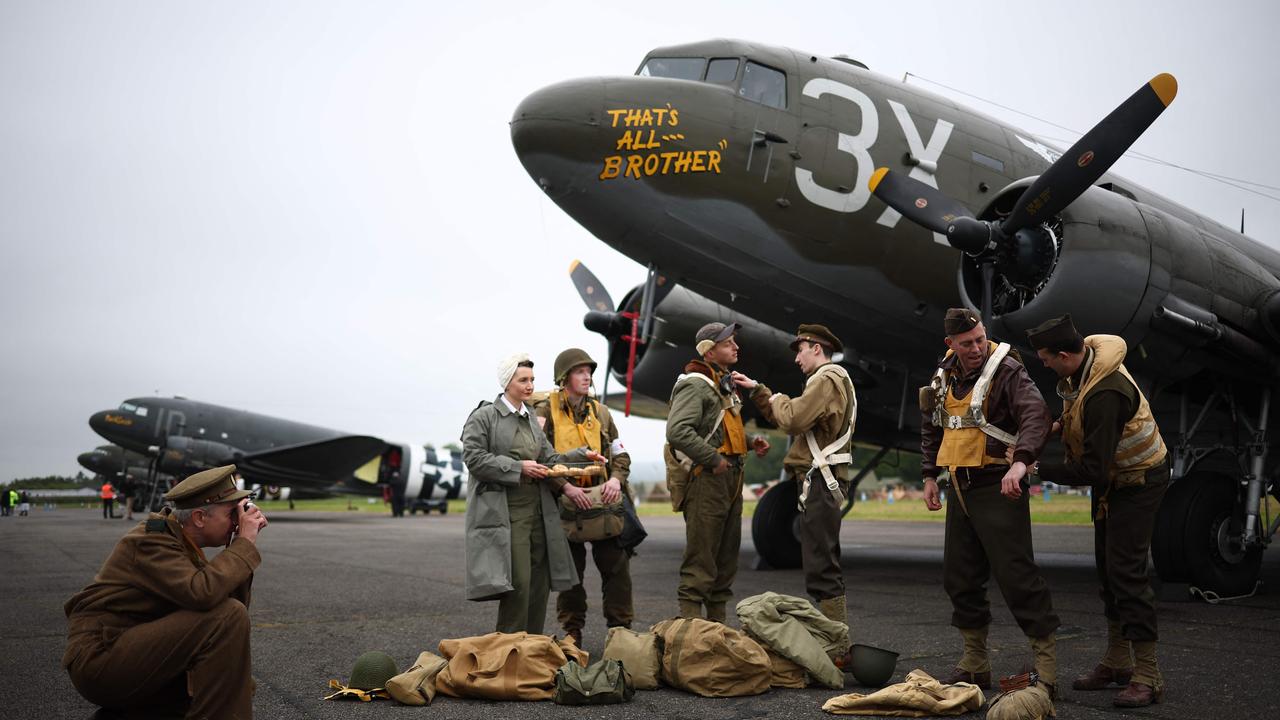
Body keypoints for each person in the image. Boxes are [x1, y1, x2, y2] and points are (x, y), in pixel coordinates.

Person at [1027, 315, 1170, 708]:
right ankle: (1117, 662)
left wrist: (1035, 469)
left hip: (1137, 481)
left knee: (1127, 573)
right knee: (1109, 572)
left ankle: (1148, 675)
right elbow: (1080, 421)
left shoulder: (1107, 392)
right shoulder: (1084, 368)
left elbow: (1092, 469)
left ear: (1063, 355)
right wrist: (1058, 427)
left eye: (1045, 359)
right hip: (1114, 482)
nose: (1044, 365)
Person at [919, 308, 1059, 694]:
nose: (977, 347)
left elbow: (1036, 414)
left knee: (1018, 578)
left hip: (999, 484)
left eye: (980, 339)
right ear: (951, 344)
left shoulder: (1007, 370)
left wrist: (1021, 461)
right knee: (959, 577)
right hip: (959, 487)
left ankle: (1046, 671)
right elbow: (934, 424)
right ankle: (975, 664)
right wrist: (930, 474)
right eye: (967, 343)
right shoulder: (944, 374)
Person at [62, 464, 268, 719]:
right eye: (232, 514)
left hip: (130, 651)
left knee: (231, 668)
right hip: (101, 661)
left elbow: (223, 608)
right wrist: (243, 545)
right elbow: (205, 596)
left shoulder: (180, 539)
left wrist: (237, 546)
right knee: (228, 617)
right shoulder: (151, 540)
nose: (237, 521)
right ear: (200, 518)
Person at [461, 353, 606, 634]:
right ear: (507, 382)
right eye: (523, 380)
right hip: (506, 512)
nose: (529, 386)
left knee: (539, 585)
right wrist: (518, 467)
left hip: (538, 511)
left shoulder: (529, 418)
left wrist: (580, 455)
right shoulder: (484, 417)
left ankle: (533, 650)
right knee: (519, 585)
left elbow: (549, 458)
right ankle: (507, 653)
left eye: (532, 380)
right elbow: (473, 458)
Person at [734, 324, 856, 641]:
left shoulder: (826, 380)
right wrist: (758, 390)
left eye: (800, 350)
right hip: (819, 482)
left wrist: (774, 397)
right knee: (820, 562)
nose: (797, 358)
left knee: (821, 566)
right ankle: (834, 635)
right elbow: (790, 414)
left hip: (821, 482)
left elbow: (792, 419)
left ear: (817, 348)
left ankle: (837, 640)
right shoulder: (828, 379)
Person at [666, 322, 768, 622]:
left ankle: (717, 633)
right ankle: (690, 636)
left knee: (725, 560)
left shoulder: (721, 381)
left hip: (730, 478)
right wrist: (712, 459)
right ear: (709, 351)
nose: (736, 347)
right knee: (701, 560)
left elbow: (718, 428)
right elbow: (677, 431)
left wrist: (749, 442)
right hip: (707, 480)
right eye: (728, 343)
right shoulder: (695, 384)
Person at [533, 348, 633, 647]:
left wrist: (616, 479)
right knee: (570, 577)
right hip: (566, 504)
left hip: (603, 502)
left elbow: (620, 452)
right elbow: (538, 455)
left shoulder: (600, 412)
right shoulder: (544, 411)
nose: (587, 376)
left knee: (617, 571)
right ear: (564, 378)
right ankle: (572, 632)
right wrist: (565, 487)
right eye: (579, 371)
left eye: (589, 371)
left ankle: (621, 631)